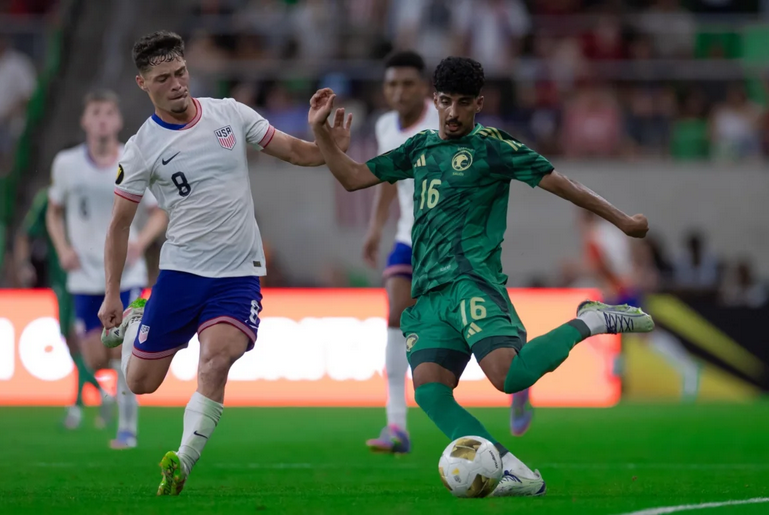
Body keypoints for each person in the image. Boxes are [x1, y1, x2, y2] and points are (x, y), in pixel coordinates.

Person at [307, 57, 654, 497]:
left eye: (464, 103)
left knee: (510, 378)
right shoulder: (417, 148)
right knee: (430, 390)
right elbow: (354, 178)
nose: (453, 112)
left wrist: (622, 220)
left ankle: (591, 320)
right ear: (435, 100)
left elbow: (562, 183)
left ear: (479, 104)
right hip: (428, 293)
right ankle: (514, 470)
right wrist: (321, 133)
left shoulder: (494, 147)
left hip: (471, 281)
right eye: (446, 101)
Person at [98, 31, 351, 496]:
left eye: (180, 73)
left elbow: (297, 152)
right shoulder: (141, 148)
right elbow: (119, 226)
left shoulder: (230, 113)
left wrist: (328, 142)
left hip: (237, 275)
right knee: (140, 382)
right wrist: (112, 292)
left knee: (217, 361)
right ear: (142, 83)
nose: (177, 84)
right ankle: (137, 322)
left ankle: (182, 461)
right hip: (180, 274)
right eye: (163, 78)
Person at [47, 89, 167, 449]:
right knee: (97, 357)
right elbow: (54, 211)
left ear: (118, 121)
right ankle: (111, 392)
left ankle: (127, 430)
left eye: (108, 113)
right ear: (85, 120)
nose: (102, 120)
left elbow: (158, 213)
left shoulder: (134, 158)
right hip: (84, 277)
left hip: (127, 274)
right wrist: (63, 248)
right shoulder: (66, 164)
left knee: (125, 348)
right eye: (95, 113)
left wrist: (141, 243)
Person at [361, 50, 438, 454]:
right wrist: (376, 227)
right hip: (409, 237)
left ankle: (517, 370)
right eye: (392, 84)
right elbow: (389, 177)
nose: (399, 91)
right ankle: (396, 425)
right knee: (395, 316)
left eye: (408, 84)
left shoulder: (443, 121)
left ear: (424, 88)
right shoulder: (385, 125)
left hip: (450, 241)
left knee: (461, 328)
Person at [14, 188, 115, 430]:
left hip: (88, 280)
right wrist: (24, 264)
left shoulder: (90, 191)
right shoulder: (51, 198)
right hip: (64, 278)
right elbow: (25, 235)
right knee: (72, 341)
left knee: (79, 340)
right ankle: (100, 395)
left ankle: (79, 405)